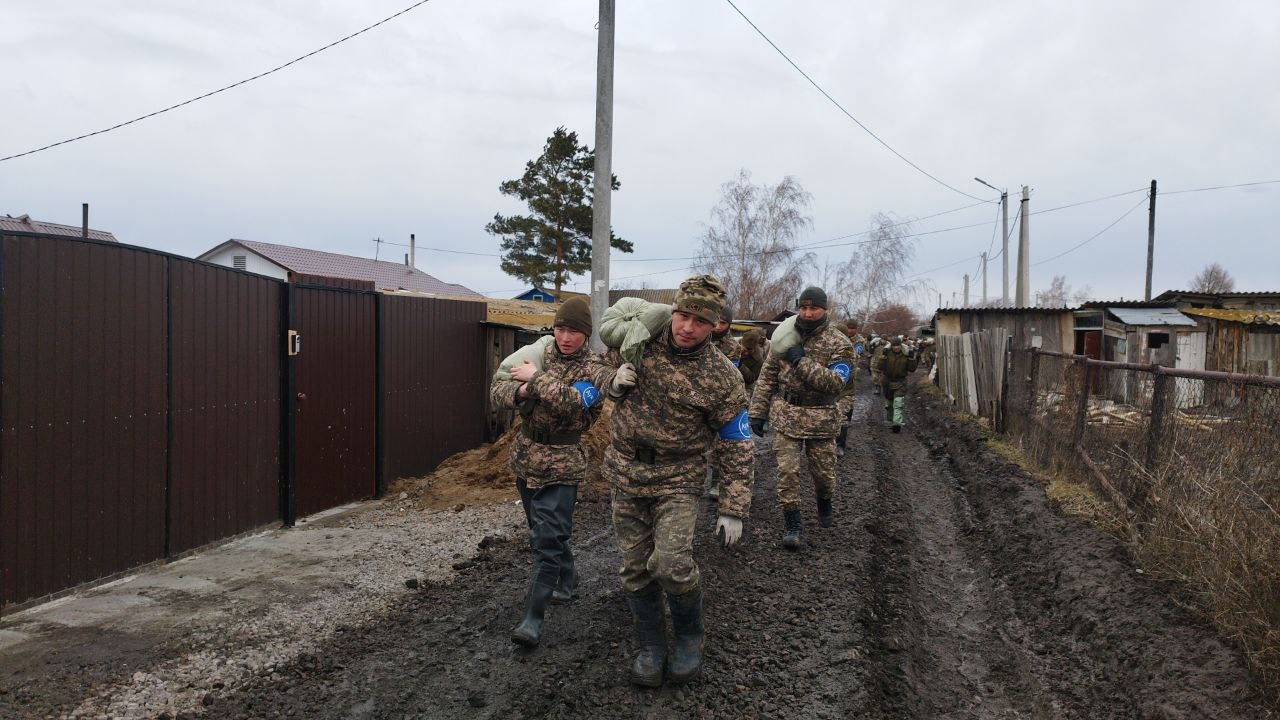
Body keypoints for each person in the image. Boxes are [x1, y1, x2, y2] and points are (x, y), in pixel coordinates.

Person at [601, 275, 754, 687]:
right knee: (635, 568)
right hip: (627, 473)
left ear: (715, 324)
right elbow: (596, 367)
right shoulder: (638, 341)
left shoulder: (722, 377)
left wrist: (733, 508)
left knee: (671, 564)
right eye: (683, 316)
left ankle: (689, 637)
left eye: (700, 321)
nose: (688, 327)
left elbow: (736, 443)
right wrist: (610, 381)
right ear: (673, 311)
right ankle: (651, 645)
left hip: (678, 478)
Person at [489, 297, 629, 647]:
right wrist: (521, 389)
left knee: (547, 540)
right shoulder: (538, 353)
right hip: (526, 457)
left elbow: (574, 403)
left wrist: (535, 380)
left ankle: (532, 619)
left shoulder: (594, 367)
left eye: (574, 331)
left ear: (586, 334)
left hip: (564, 463)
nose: (566, 337)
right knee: (542, 529)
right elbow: (498, 392)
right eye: (560, 329)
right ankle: (567, 581)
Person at [748, 287, 855, 549]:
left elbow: (835, 383)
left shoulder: (839, 344)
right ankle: (792, 524)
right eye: (803, 308)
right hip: (787, 416)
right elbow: (767, 377)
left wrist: (800, 361)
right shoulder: (785, 337)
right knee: (787, 472)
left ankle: (824, 501)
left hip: (821, 418)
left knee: (823, 475)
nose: (807, 313)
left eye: (813, 308)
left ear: (824, 310)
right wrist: (758, 411)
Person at [871, 335, 919, 433]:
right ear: (891, 346)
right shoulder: (887, 353)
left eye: (898, 345)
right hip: (887, 381)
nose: (896, 347)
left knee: (898, 403)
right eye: (894, 345)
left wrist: (911, 358)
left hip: (900, 382)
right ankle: (890, 420)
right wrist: (883, 357)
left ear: (901, 345)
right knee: (889, 403)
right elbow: (880, 367)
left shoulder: (905, 354)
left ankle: (897, 423)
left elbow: (912, 369)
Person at [833, 321, 865, 456]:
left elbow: (855, 359)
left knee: (842, 417)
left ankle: (840, 445)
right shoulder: (827, 346)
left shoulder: (851, 349)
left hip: (846, 388)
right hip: (830, 389)